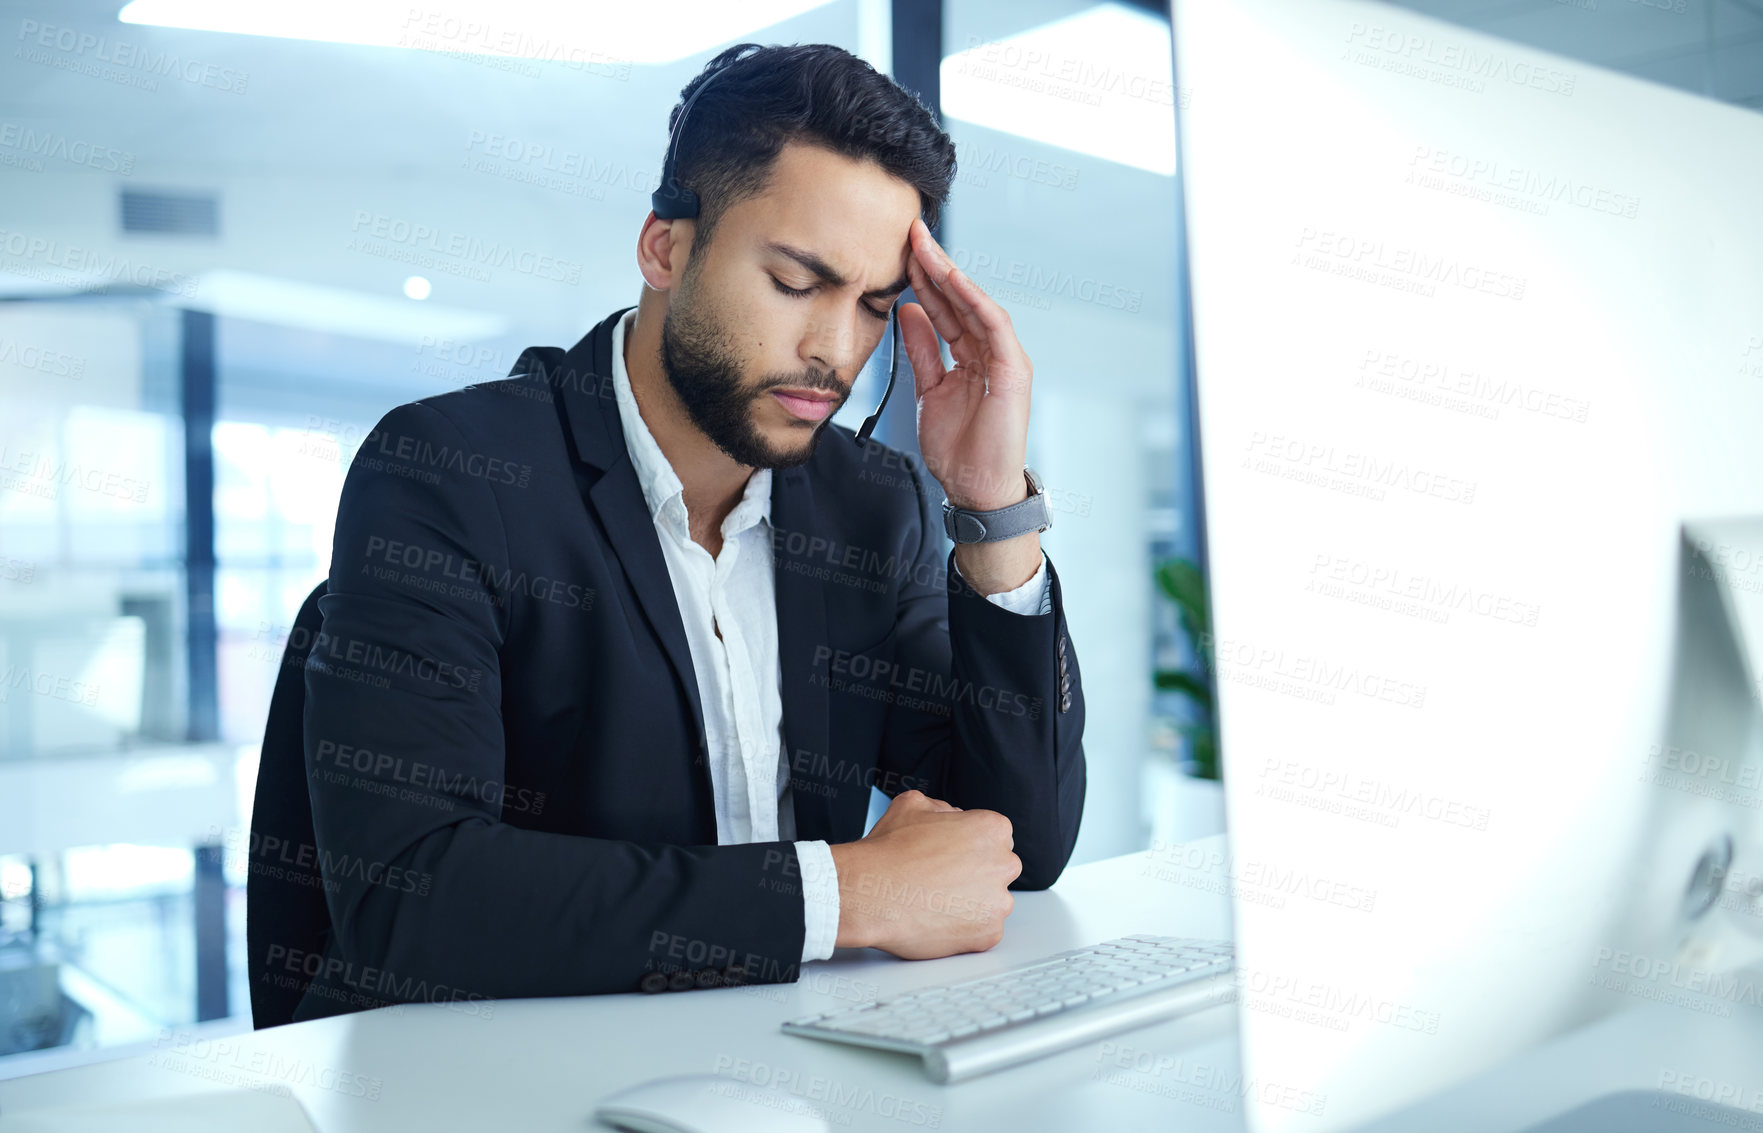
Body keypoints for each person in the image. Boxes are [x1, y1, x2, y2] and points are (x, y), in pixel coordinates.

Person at [289, 41, 1085, 1020]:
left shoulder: (871, 503)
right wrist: (843, 892)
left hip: (788, 1066)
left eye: (875, 305)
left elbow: (1018, 843)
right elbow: (407, 890)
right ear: (665, 246)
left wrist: (991, 504)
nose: (834, 350)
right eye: (795, 281)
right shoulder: (447, 472)